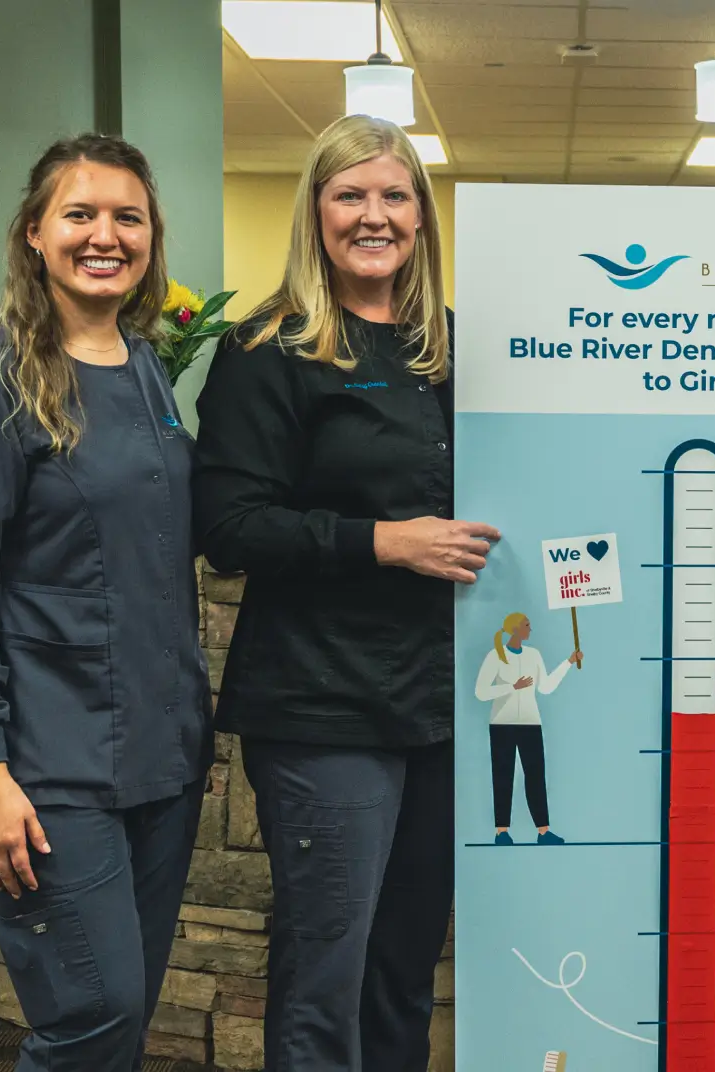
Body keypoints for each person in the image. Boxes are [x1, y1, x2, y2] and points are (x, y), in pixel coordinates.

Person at [194, 114, 495, 1071]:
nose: (375, 216)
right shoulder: (267, 350)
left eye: (395, 196)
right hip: (323, 706)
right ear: (315, 213)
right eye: (349, 195)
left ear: (422, 216)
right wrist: (384, 543)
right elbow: (230, 528)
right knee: (328, 969)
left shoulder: (453, 348)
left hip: (442, 707)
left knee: (406, 967)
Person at [0, 134, 209, 1069]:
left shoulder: (149, 369)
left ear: (152, 237)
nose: (105, 235)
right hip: (38, 768)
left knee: (121, 1026)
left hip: (159, 760)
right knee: (91, 1014)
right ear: (34, 234)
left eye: (129, 216)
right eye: (79, 214)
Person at [474, 612, 580, 845]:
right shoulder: (496, 656)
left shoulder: (534, 655)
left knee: (535, 776)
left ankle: (543, 831)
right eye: (526, 625)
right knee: (503, 775)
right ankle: (502, 832)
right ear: (514, 629)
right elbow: (481, 692)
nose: (530, 629)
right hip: (502, 723)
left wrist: (568, 662)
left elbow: (546, 687)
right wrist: (512, 687)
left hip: (531, 723)